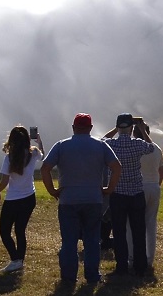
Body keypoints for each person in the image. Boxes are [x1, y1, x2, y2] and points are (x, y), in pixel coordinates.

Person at [41, 113, 121, 286]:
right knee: (92, 240)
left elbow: (45, 168)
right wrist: (109, 189)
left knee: (69, 241)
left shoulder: (61, 145)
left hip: (68, 200)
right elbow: (116, 167)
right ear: (90, 128)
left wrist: (52, 190)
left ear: (73, 128)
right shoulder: (101, 146)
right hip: (93, 199)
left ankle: (69, 277)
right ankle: (92, 276)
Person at [103, 113, 157, 277]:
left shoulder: (111, 145)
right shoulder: (138, 144)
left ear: (119, 128)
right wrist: (141, 128)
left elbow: (102, 139)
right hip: (136, 193)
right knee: (138, 230)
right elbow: (151, 147)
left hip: (118, 193)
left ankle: (122, 265)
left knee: (119, 232)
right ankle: (140, 266)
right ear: (132, 128)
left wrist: (116, 128)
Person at [0, 125, 44, 273]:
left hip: (13, 199)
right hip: (29, 198)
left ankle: (16, 259)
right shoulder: (33, 153)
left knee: (4, 231)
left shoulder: (9, 158)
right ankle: (18, 260)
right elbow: (43, 156)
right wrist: (39, 141)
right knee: (20, 231)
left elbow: (4, 181)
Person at [129, 118, 163, 269]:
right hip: (153, 187)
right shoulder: (156, 148)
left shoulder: (133, 147)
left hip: (137, 188)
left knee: (131, 225)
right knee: (150, 224)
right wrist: (156, 185)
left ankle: (131, 258)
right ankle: (149, 259)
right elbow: (161, 171)